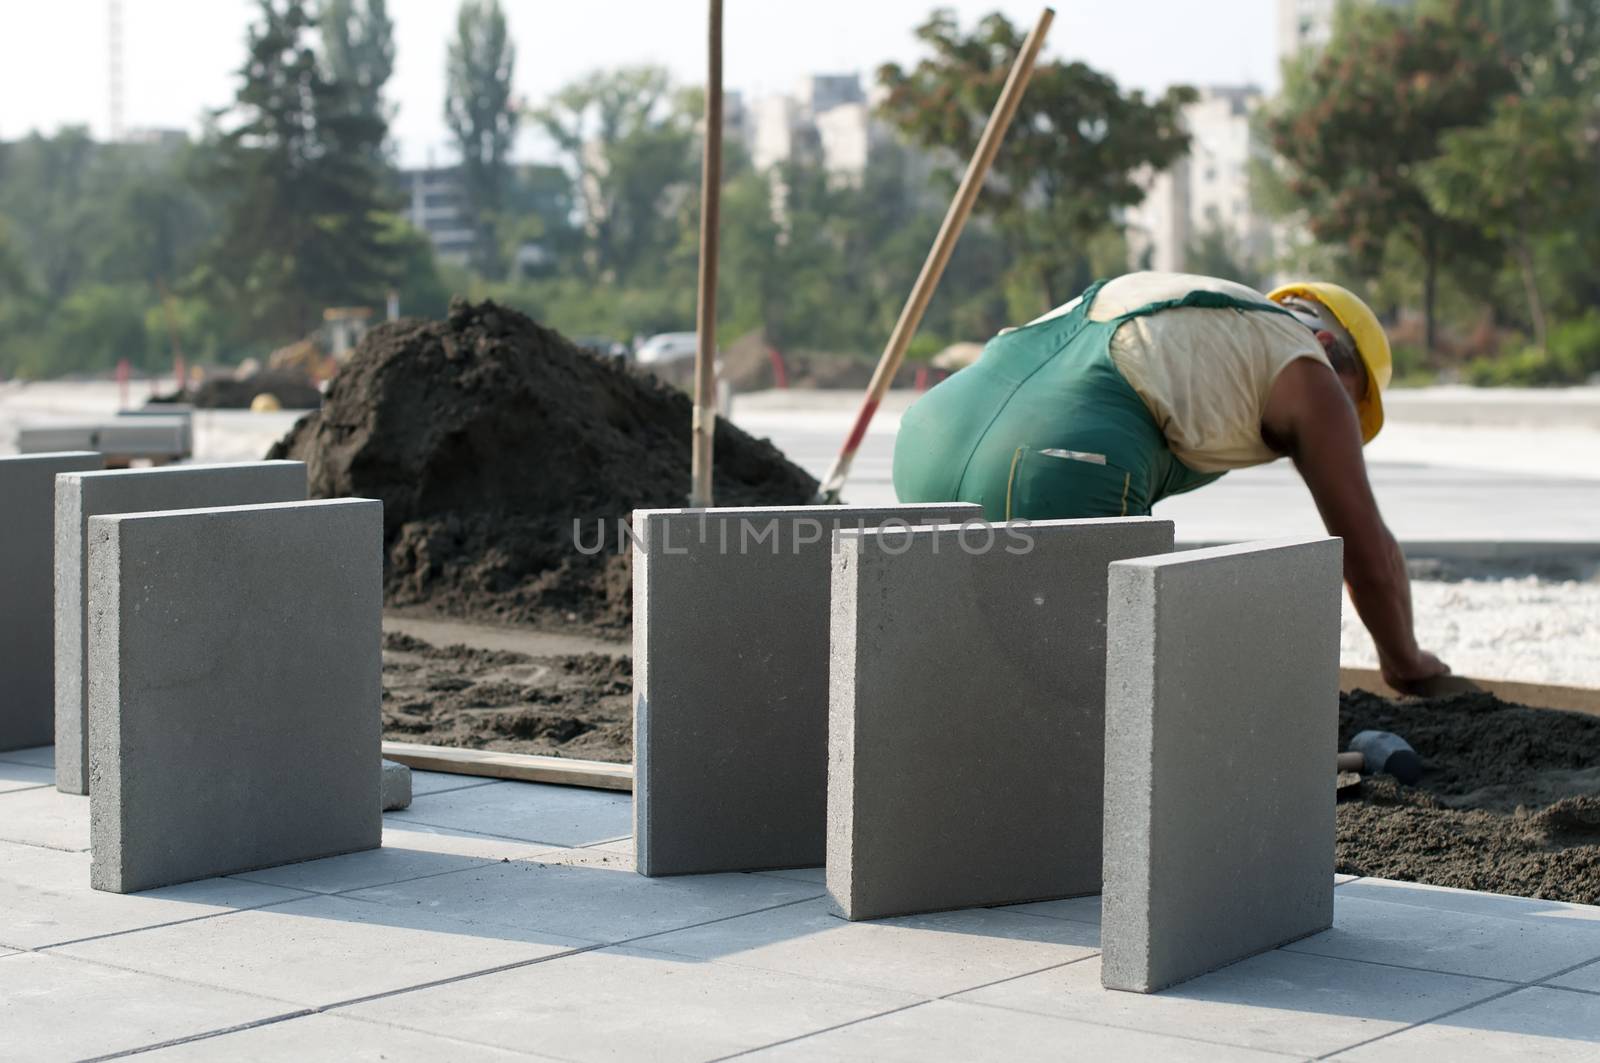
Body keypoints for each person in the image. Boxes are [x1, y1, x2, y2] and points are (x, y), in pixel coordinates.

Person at [893, 270, 1448, 694]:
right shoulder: (1309, 368)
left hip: (929, 436)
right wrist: (1406, 663)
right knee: (1108, 692)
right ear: (1329, 348)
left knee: (989, 662)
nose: (1343, 425)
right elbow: (1369, 554)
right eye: (1353, 406)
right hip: (1051, 459)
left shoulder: (1205, 313)